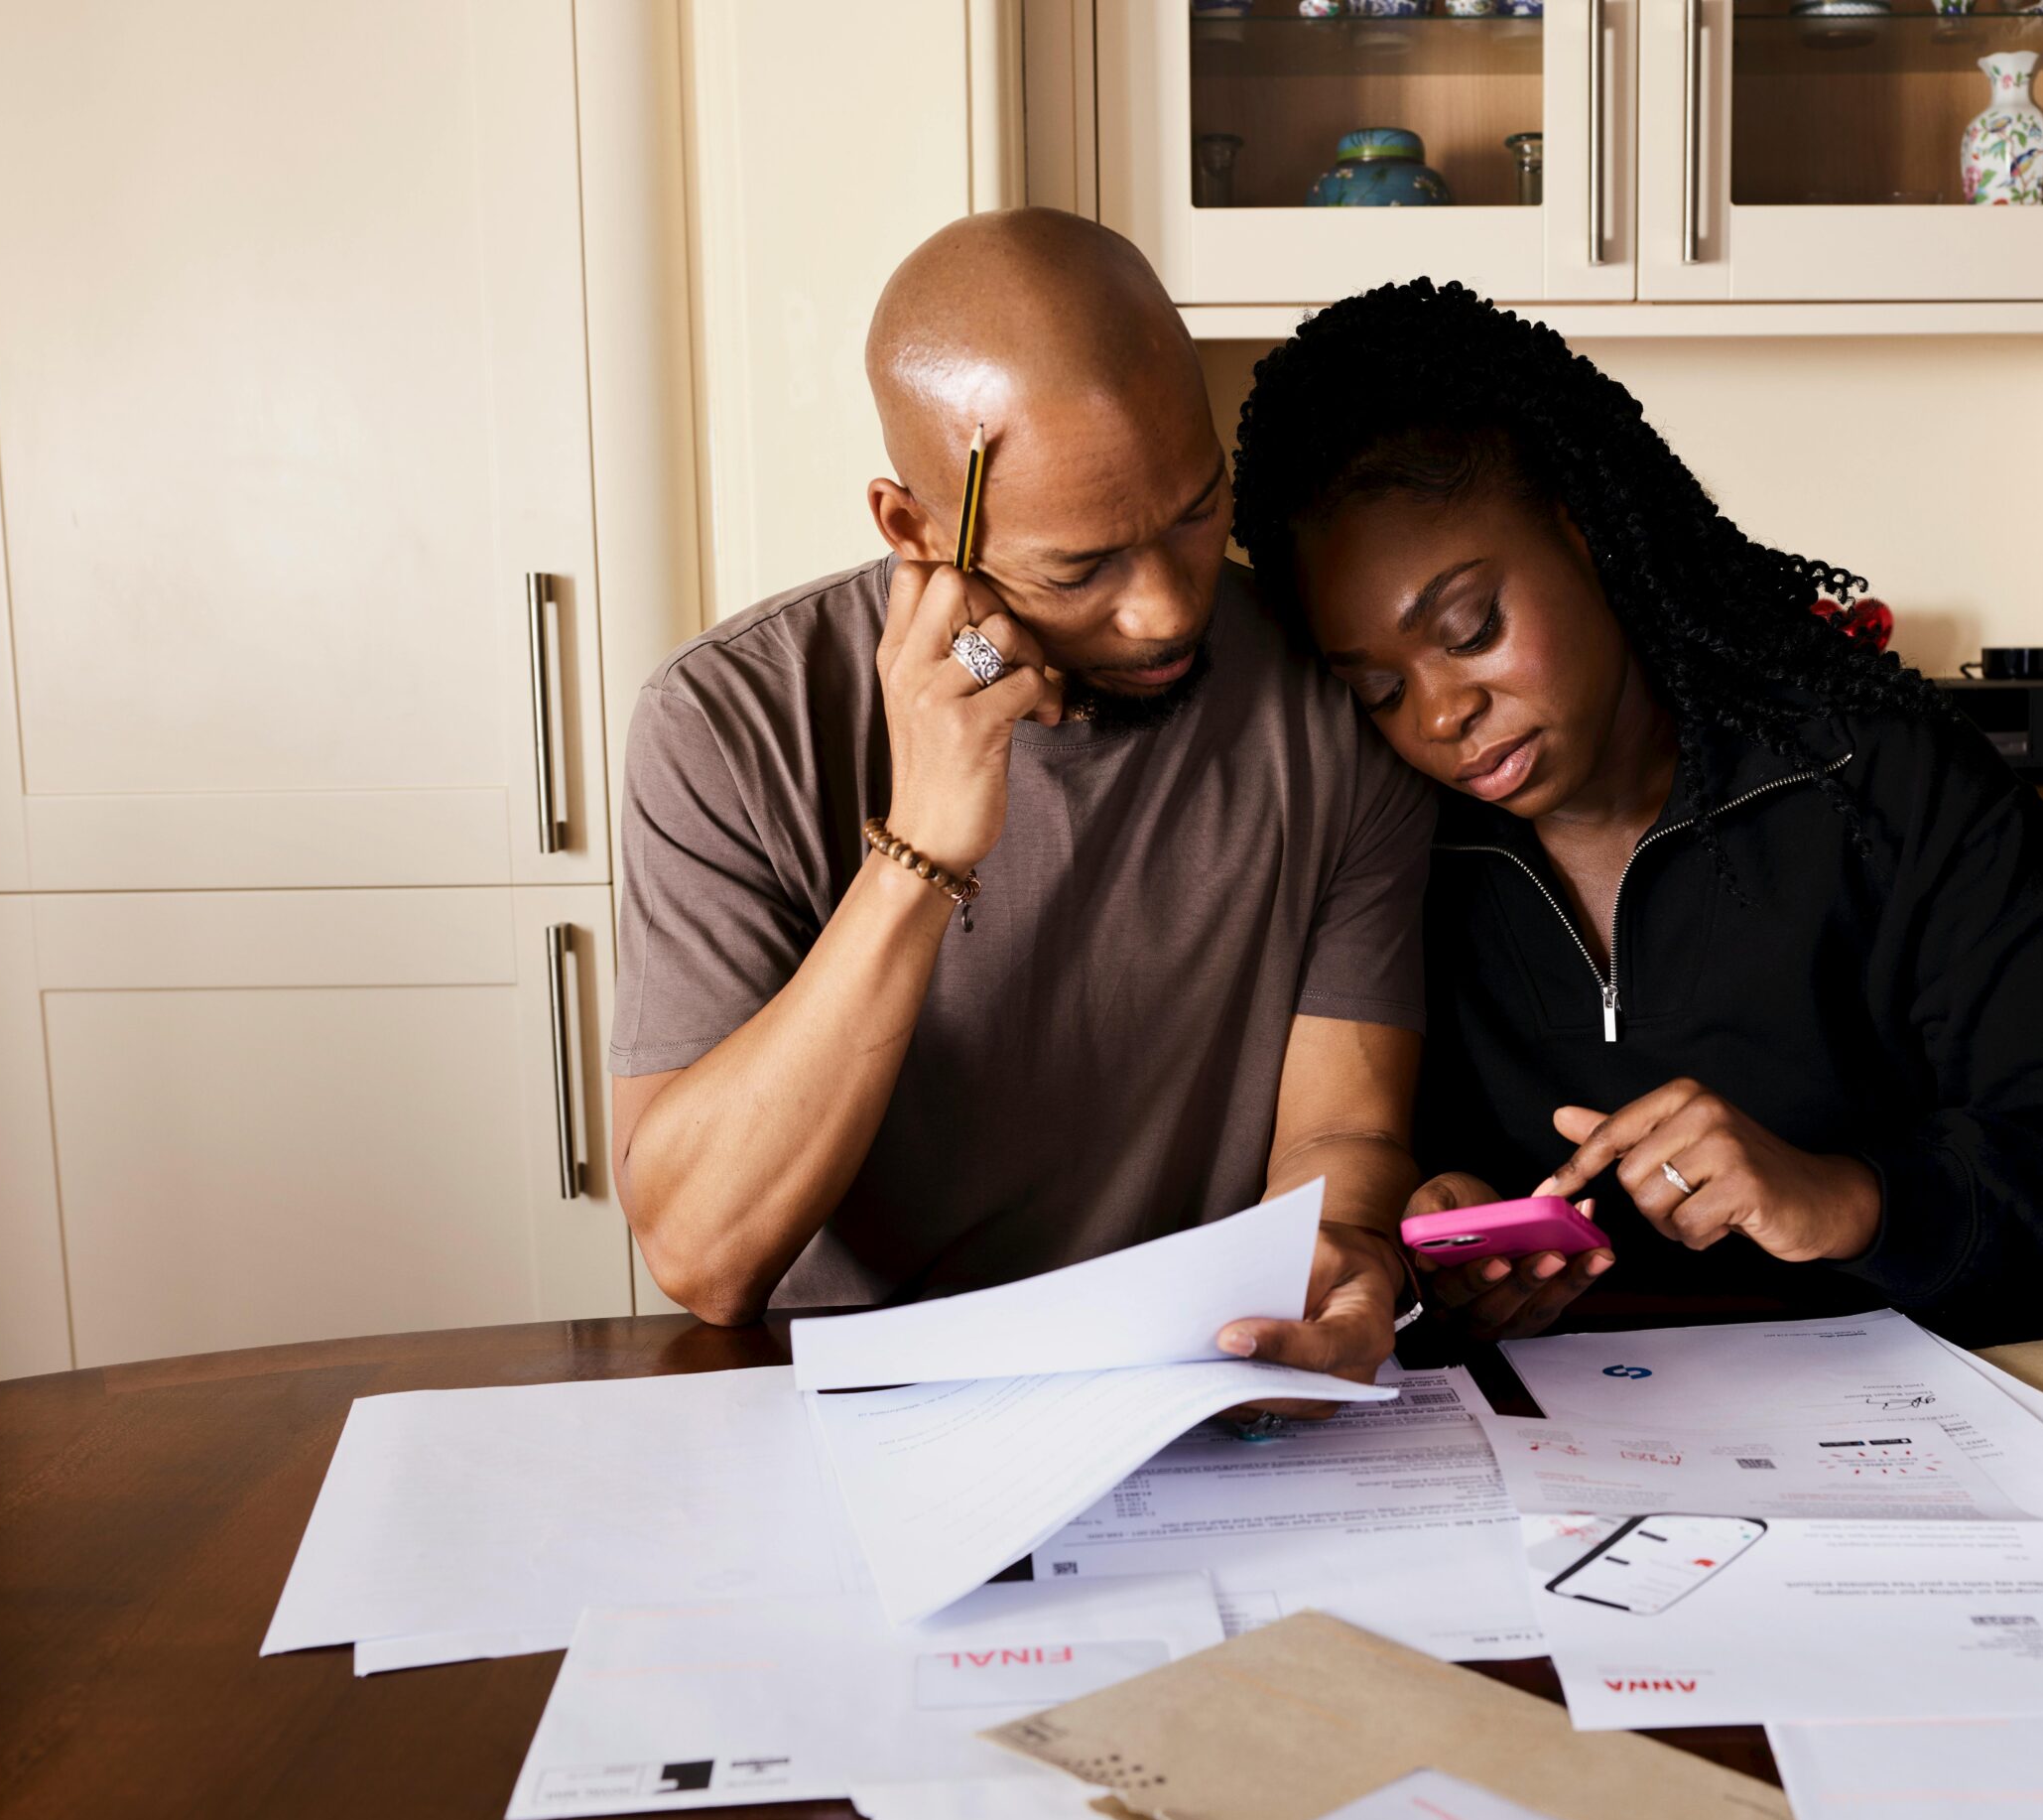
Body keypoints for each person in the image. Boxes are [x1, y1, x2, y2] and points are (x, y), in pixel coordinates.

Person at [1229, 279, 2043, 1348]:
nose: (1439, 713)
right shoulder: (1392, 846)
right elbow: (1366, 1167)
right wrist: (1441, 1229)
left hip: (1899, 1431)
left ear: (1585, 530)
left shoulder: (1878, 779)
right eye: (1375, 689)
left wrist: (1844, 1200)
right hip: (1545, 1453)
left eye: (1471, 627)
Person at [606, 211, 1430, 1406]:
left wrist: (1345, 1249)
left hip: (1194, 1388)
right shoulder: (728, 722)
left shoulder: (1332, 695)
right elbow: (705, 1259)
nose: (1161, 611)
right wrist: (925, 842)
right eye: (1079, 567)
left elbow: (1337, 1136)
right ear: (913, 528)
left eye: (1196, 511)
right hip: (842, 1410)